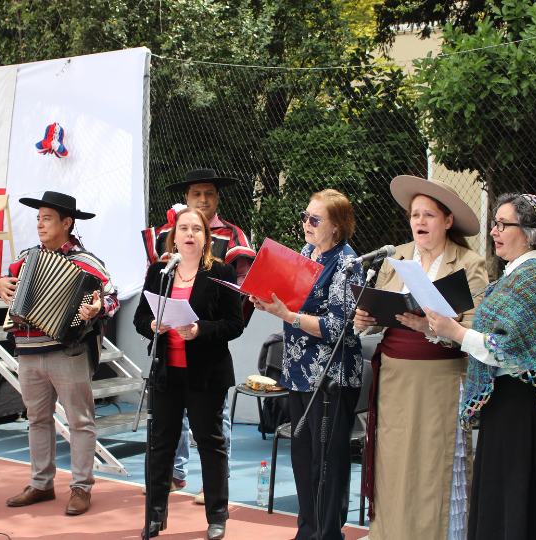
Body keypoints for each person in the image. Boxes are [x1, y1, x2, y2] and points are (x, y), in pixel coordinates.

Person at [426, 193, 536, 540]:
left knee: (516, 511)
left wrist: (455, 332)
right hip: (509, 404)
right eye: (495, 223)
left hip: (525, 409)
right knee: (503, 507)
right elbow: (491, 338)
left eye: (503, 224)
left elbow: (505, 348)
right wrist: (434, 327)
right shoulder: (517, 274)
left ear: (530, 233)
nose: (494, 231)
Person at [354, 175, 488, 540]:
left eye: (429, 215)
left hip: (440, 379)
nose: (420, 221)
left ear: (448, 221)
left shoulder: (469, 262)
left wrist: (433, 328)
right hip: (395, 378)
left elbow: (475, 330)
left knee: (434, 463)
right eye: (415, 215)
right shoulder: (396, 257)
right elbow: (382, 311)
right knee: (395, 462)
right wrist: (365, 320)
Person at [0, 191, 118, 516]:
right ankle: (41, 483)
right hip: (28, 351)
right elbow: (5, 283)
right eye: (38, 218)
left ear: (67, 223)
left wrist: (98, 307)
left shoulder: (88, 263)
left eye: (46, 218)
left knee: (80, 420)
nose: (39, 224)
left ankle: (81, 487)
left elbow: (112, 297)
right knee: (37, 419)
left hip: (69, 351)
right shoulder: (25, 258)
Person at [251, 189, 364, 540]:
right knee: (302, 458)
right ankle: (307, 531)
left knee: (327, 462)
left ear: (337, 226)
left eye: (315, 219)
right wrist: (269, 302)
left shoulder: (348, 264)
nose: (306, 223)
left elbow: (339, 327)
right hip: (298, 370)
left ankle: (328, 534)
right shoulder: (305, 253)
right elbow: (292, 303)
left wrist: (288, 315)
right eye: (305, 216)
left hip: (331, 377)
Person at [141, 168, 256, 502]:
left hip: (208, 343)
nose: (203, 199)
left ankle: (213, 483)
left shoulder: (233, 236)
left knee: (213, 421)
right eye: (196, 194)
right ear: (187, 198)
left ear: (217, 198)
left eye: (209, 193)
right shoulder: (168, 233)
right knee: (168, 420)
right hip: (170, 342)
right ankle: (174, 474)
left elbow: (245, 285)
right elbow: (154, 281)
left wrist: (213, 323)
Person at [134, 207, 244, 540]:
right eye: (183, 228)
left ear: (206, 237)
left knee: (210, 444)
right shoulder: (160, 271)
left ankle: (217, 517)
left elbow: (234, 324)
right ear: (174, 235)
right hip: (166, 374)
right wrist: (152, 325)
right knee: (161, 444)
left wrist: (199, 330)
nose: (190, 234)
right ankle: (154, 517)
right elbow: (140, 318)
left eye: (197, 228)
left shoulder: (221, 272)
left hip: (205, 376)